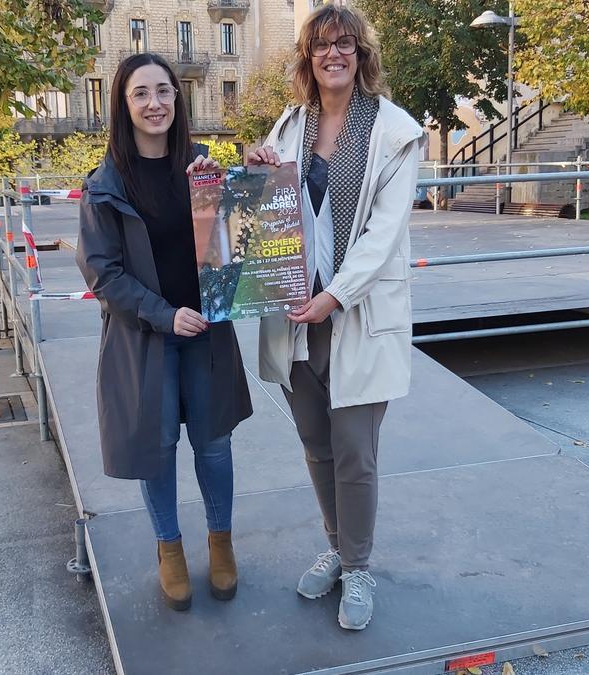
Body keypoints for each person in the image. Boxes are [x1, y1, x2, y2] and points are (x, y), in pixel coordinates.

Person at [247, 4, 424, 631]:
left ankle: (360, 568)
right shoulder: (291, 124)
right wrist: (255, 170)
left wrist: (334, 296)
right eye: (321, 45)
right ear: (307, 57)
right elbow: (267, 207)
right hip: (298, 315)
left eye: (344, 43)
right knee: (316, 448)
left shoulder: (395, 131)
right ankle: (338, 547)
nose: (333, 54)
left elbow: (384, 234)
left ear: (362, 53)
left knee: (355, 452)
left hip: (354, 313)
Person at [76, 53, 254, 612]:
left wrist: (256, 181)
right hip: (145, 337)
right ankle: (169, 551)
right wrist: (161, 312)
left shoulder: (203, 170)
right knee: (158, 449)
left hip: (206, 332)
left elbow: (236, 245)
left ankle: (220, 542)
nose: (155, 104)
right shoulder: (104, 185)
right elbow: (102, 273)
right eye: (140, 94)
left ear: (178, 99)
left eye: (164, 92)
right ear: (123, 106)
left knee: (214, 442)